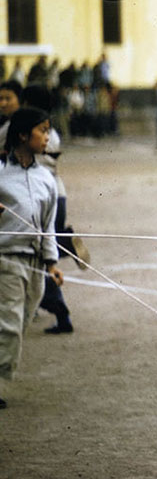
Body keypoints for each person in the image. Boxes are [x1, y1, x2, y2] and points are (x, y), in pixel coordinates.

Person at [0, 107, 63, 410]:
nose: (48, 136)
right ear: (23, 135)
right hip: (7, 259)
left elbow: (48, 224)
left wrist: (52, 263)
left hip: (36, 263)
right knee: (9, 324)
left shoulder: (46, 179)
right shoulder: (1, 173)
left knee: (20, 321)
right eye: (42, 130)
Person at [22, 85, 90, 334]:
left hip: (40, 198)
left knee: (38, 255)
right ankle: (65, 242)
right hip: (57, 194)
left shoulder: (26, 130)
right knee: (42, 251)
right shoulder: (51, 131)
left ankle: (60, 313)